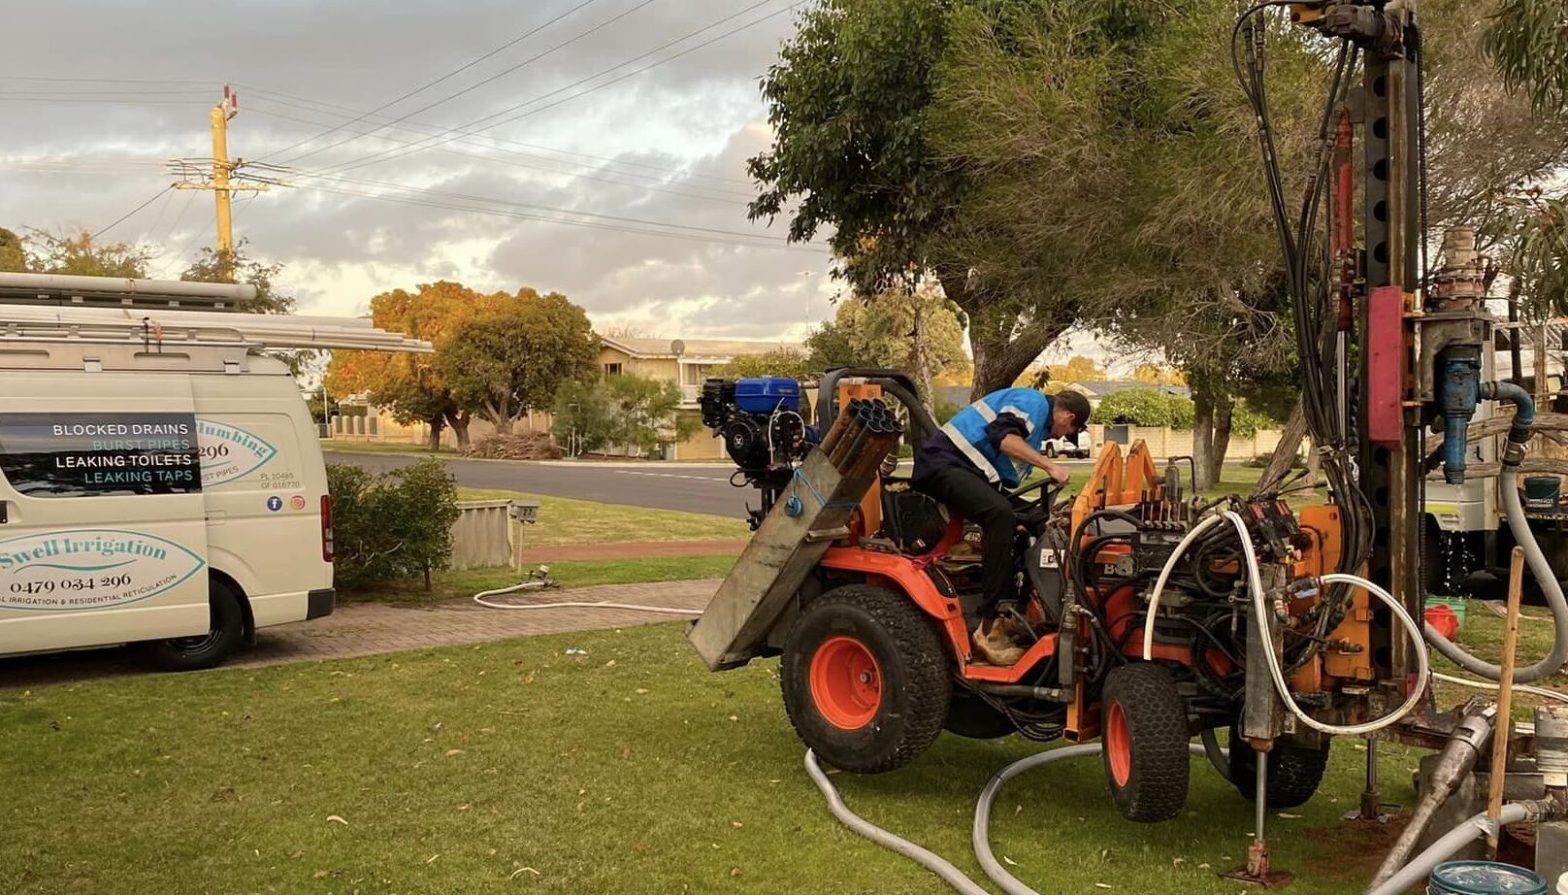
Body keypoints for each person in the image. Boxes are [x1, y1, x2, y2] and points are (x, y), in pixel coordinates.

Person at [912, 387, 1091, 664]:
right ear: (1068, 416)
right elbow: (1003, 439)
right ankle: (988, 627)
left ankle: (1018, 612)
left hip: (969, 471)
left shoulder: (1037, 426)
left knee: (1027, 521)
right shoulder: (1033, 403)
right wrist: (1050, 466)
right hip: (944, 464)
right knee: (1000, 515)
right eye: (1071, 429)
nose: (1066, 436)